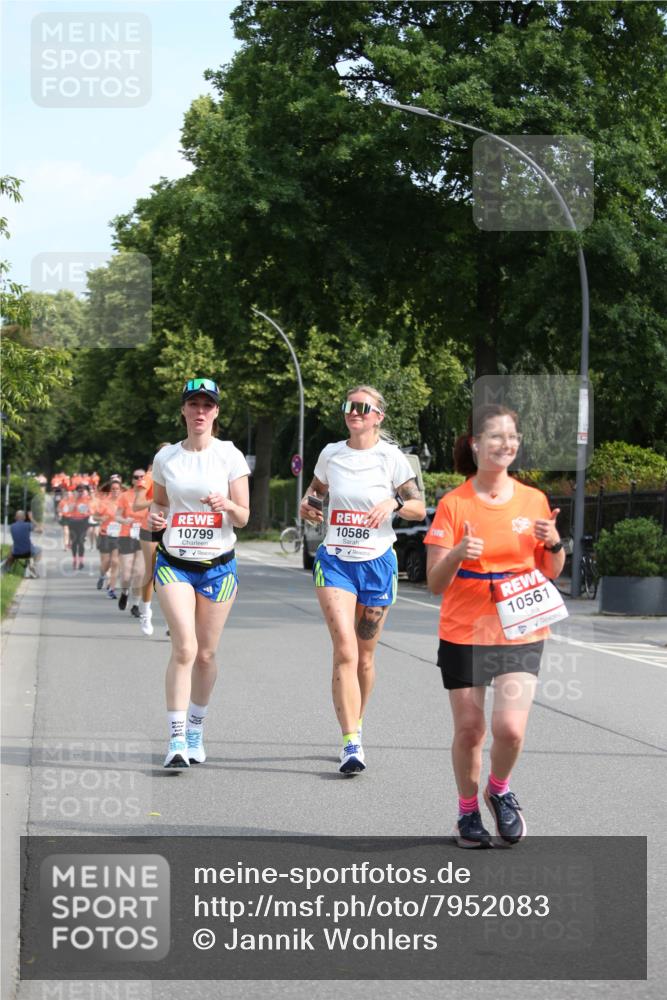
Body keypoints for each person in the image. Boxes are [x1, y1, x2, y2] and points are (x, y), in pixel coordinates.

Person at [424, 403, 566, 848]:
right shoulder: (453, 504)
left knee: (510, 729)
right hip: (464, 629)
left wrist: (555, 543)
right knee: (470, 729)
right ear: (475, 444)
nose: (506, 445)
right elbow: (433, 583)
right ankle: (467, 813)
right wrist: (455, 553)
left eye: (512, 438)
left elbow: (552, 571)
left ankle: (498, 790)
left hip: (521, 626)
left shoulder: (533, 499)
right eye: (496, 437)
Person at [300, 385, 425, 775]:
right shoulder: (331, 454)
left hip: (378, 564)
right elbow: (314, 494)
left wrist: (393, 502)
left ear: (377, 417)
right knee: (346, 650)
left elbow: (419, 508)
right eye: (349, 406)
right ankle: (350, 742)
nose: (354, 412)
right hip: (336, 561)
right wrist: (309, 506)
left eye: (362, 407)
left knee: (366, 658)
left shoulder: (393, 459)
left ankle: (357, 723)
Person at [147, 378, 250, 769]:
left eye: (208, 405)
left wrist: (225, 504)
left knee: (205, 654)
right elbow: (157, 507)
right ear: (184, 411)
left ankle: (195, 730)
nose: (200, 412)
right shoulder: (167, 458)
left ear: (217, 413)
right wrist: (155, 518)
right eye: (194, 404)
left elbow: (243, 517)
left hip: (218, 567)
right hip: (174, 564)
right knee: (185, 648)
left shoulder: (229, 457)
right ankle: (174, 739)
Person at [132, 444, 171, 636]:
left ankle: (172, 622)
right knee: (153, 571)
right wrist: (159, 501)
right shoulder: (148, 478)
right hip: (150, 529)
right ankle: (146, 612)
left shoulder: (178, 475)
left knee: (173, 575)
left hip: (173, 529)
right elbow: (137, 504)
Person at [115, 471, 147, 615]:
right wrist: (124, 520)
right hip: (126, 535)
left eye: (142, 477)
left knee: (139, 573)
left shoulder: (150, 495)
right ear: (132, 480)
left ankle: (135, 604)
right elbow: (117, 516)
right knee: (126, 575)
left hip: (144, 535)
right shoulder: (125, 496)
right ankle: (125, 592)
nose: (139, 479)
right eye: (136, 477)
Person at [92, 480, 122, 598]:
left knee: (115, 562)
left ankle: (111, 588)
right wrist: (100, 519)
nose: (115, 491)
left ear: (120, 490)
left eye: (117, 489)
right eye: (113, 489)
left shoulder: (123, 503)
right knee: (106, 561)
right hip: (105, 534)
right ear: (110, 490)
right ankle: (102, 575)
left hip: (119, 535)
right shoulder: (104, 503)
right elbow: (94, 517)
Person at [60, 484, 93, 571]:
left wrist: (86, 512)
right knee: (74, 542)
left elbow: (90, 511)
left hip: (83, 522)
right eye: (79, 491)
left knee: (81, 542)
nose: (81, 492)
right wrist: (75, 501)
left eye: (82, 491)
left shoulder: (87, 499)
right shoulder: (72, 499)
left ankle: (81, 561)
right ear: (76, 491)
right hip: (73, 522)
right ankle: (75, 560)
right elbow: (67, 511)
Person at [4, 510, 42, 576]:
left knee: (12, 548)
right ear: (24, 518)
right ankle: (33, 566)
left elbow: (18, 539)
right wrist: (31, 518)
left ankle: (7, 569)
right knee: (39, 550)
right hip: (28, 553)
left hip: (16, 554)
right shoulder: (27, 525)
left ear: (15, 518)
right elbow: (40, 530)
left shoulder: (12, 527)